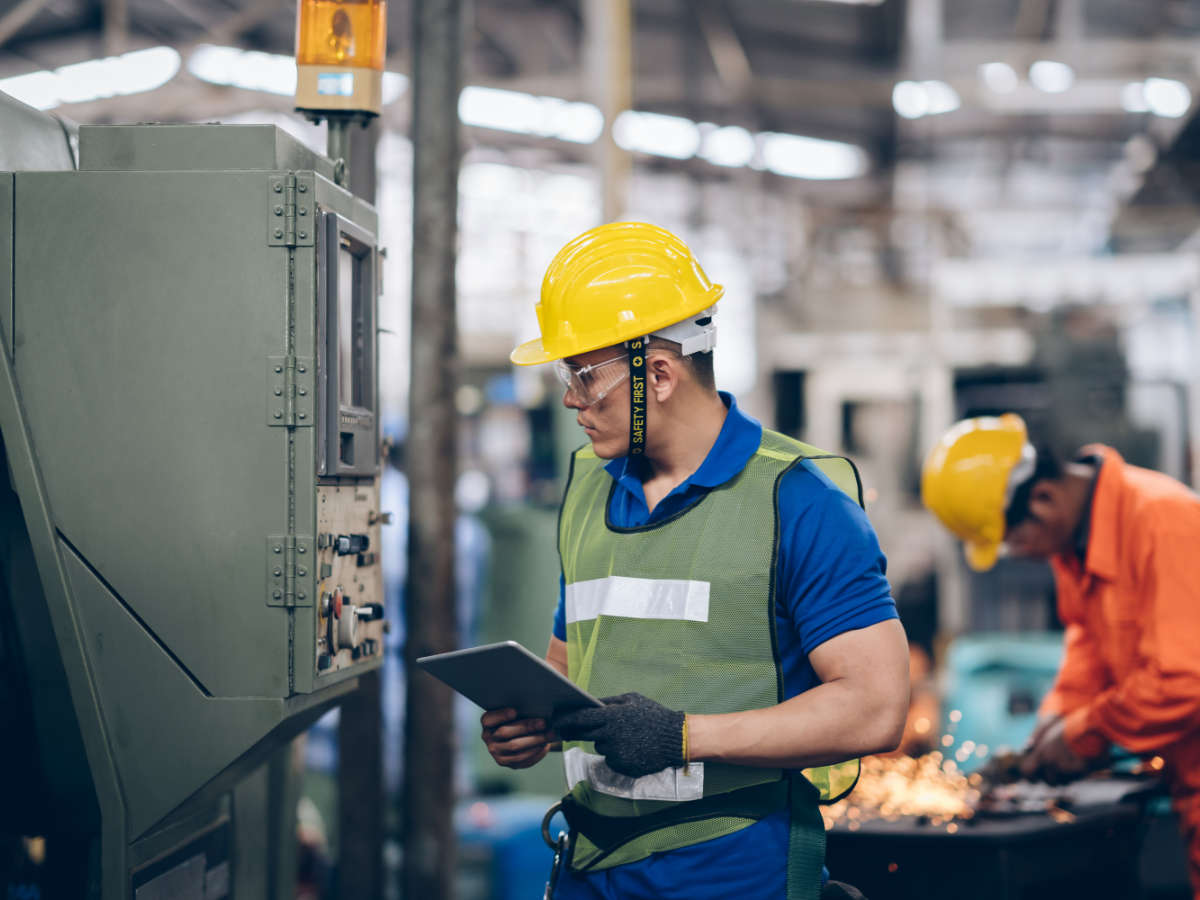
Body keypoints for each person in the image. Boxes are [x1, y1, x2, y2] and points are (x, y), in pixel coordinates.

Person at [480, 222, 909, 900]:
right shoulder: (588, 489)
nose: (569, 398)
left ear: (659, 373)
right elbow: (572, 664)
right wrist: (536, 725)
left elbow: (876, 709)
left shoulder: (797, 502)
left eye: (584, 374)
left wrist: (684, 736)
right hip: (591, 865)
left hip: (732, 871)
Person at [921, 412, 1200, 898]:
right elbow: (1088, 647)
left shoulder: (1163, 522)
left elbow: (1184, 678)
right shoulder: (1078, 548)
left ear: (1043, 499)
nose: (1019, 553)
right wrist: (1054, 724)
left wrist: (1086, 731)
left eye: (1012, 540)